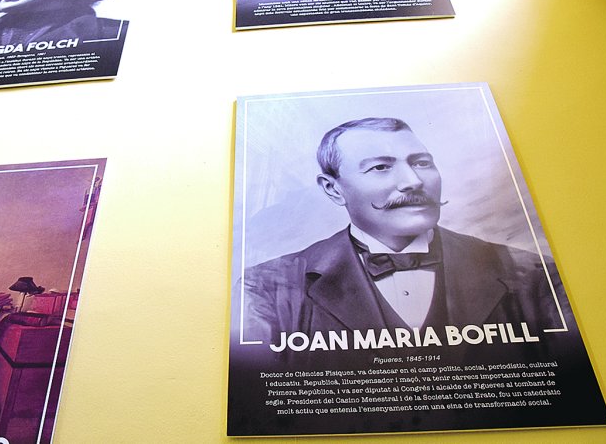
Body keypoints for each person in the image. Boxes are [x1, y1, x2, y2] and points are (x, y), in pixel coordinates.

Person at [241, 118, 572, 363]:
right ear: (333, 189)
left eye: (422, 163)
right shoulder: (265, 288)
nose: (412, 181)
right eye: (380, 168)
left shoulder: (536, 276)